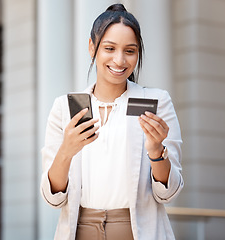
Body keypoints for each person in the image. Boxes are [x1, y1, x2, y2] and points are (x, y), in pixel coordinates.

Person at [40, 3, 183, 240]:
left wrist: (157, 151)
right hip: (80, 230)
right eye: (109, 48)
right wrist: (66, 151)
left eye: (130, 51)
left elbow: (169, 193)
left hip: (136, 231)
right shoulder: (66, 107)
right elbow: (52, 197)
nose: (119, 60)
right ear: (92, 47)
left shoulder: (156, 102)